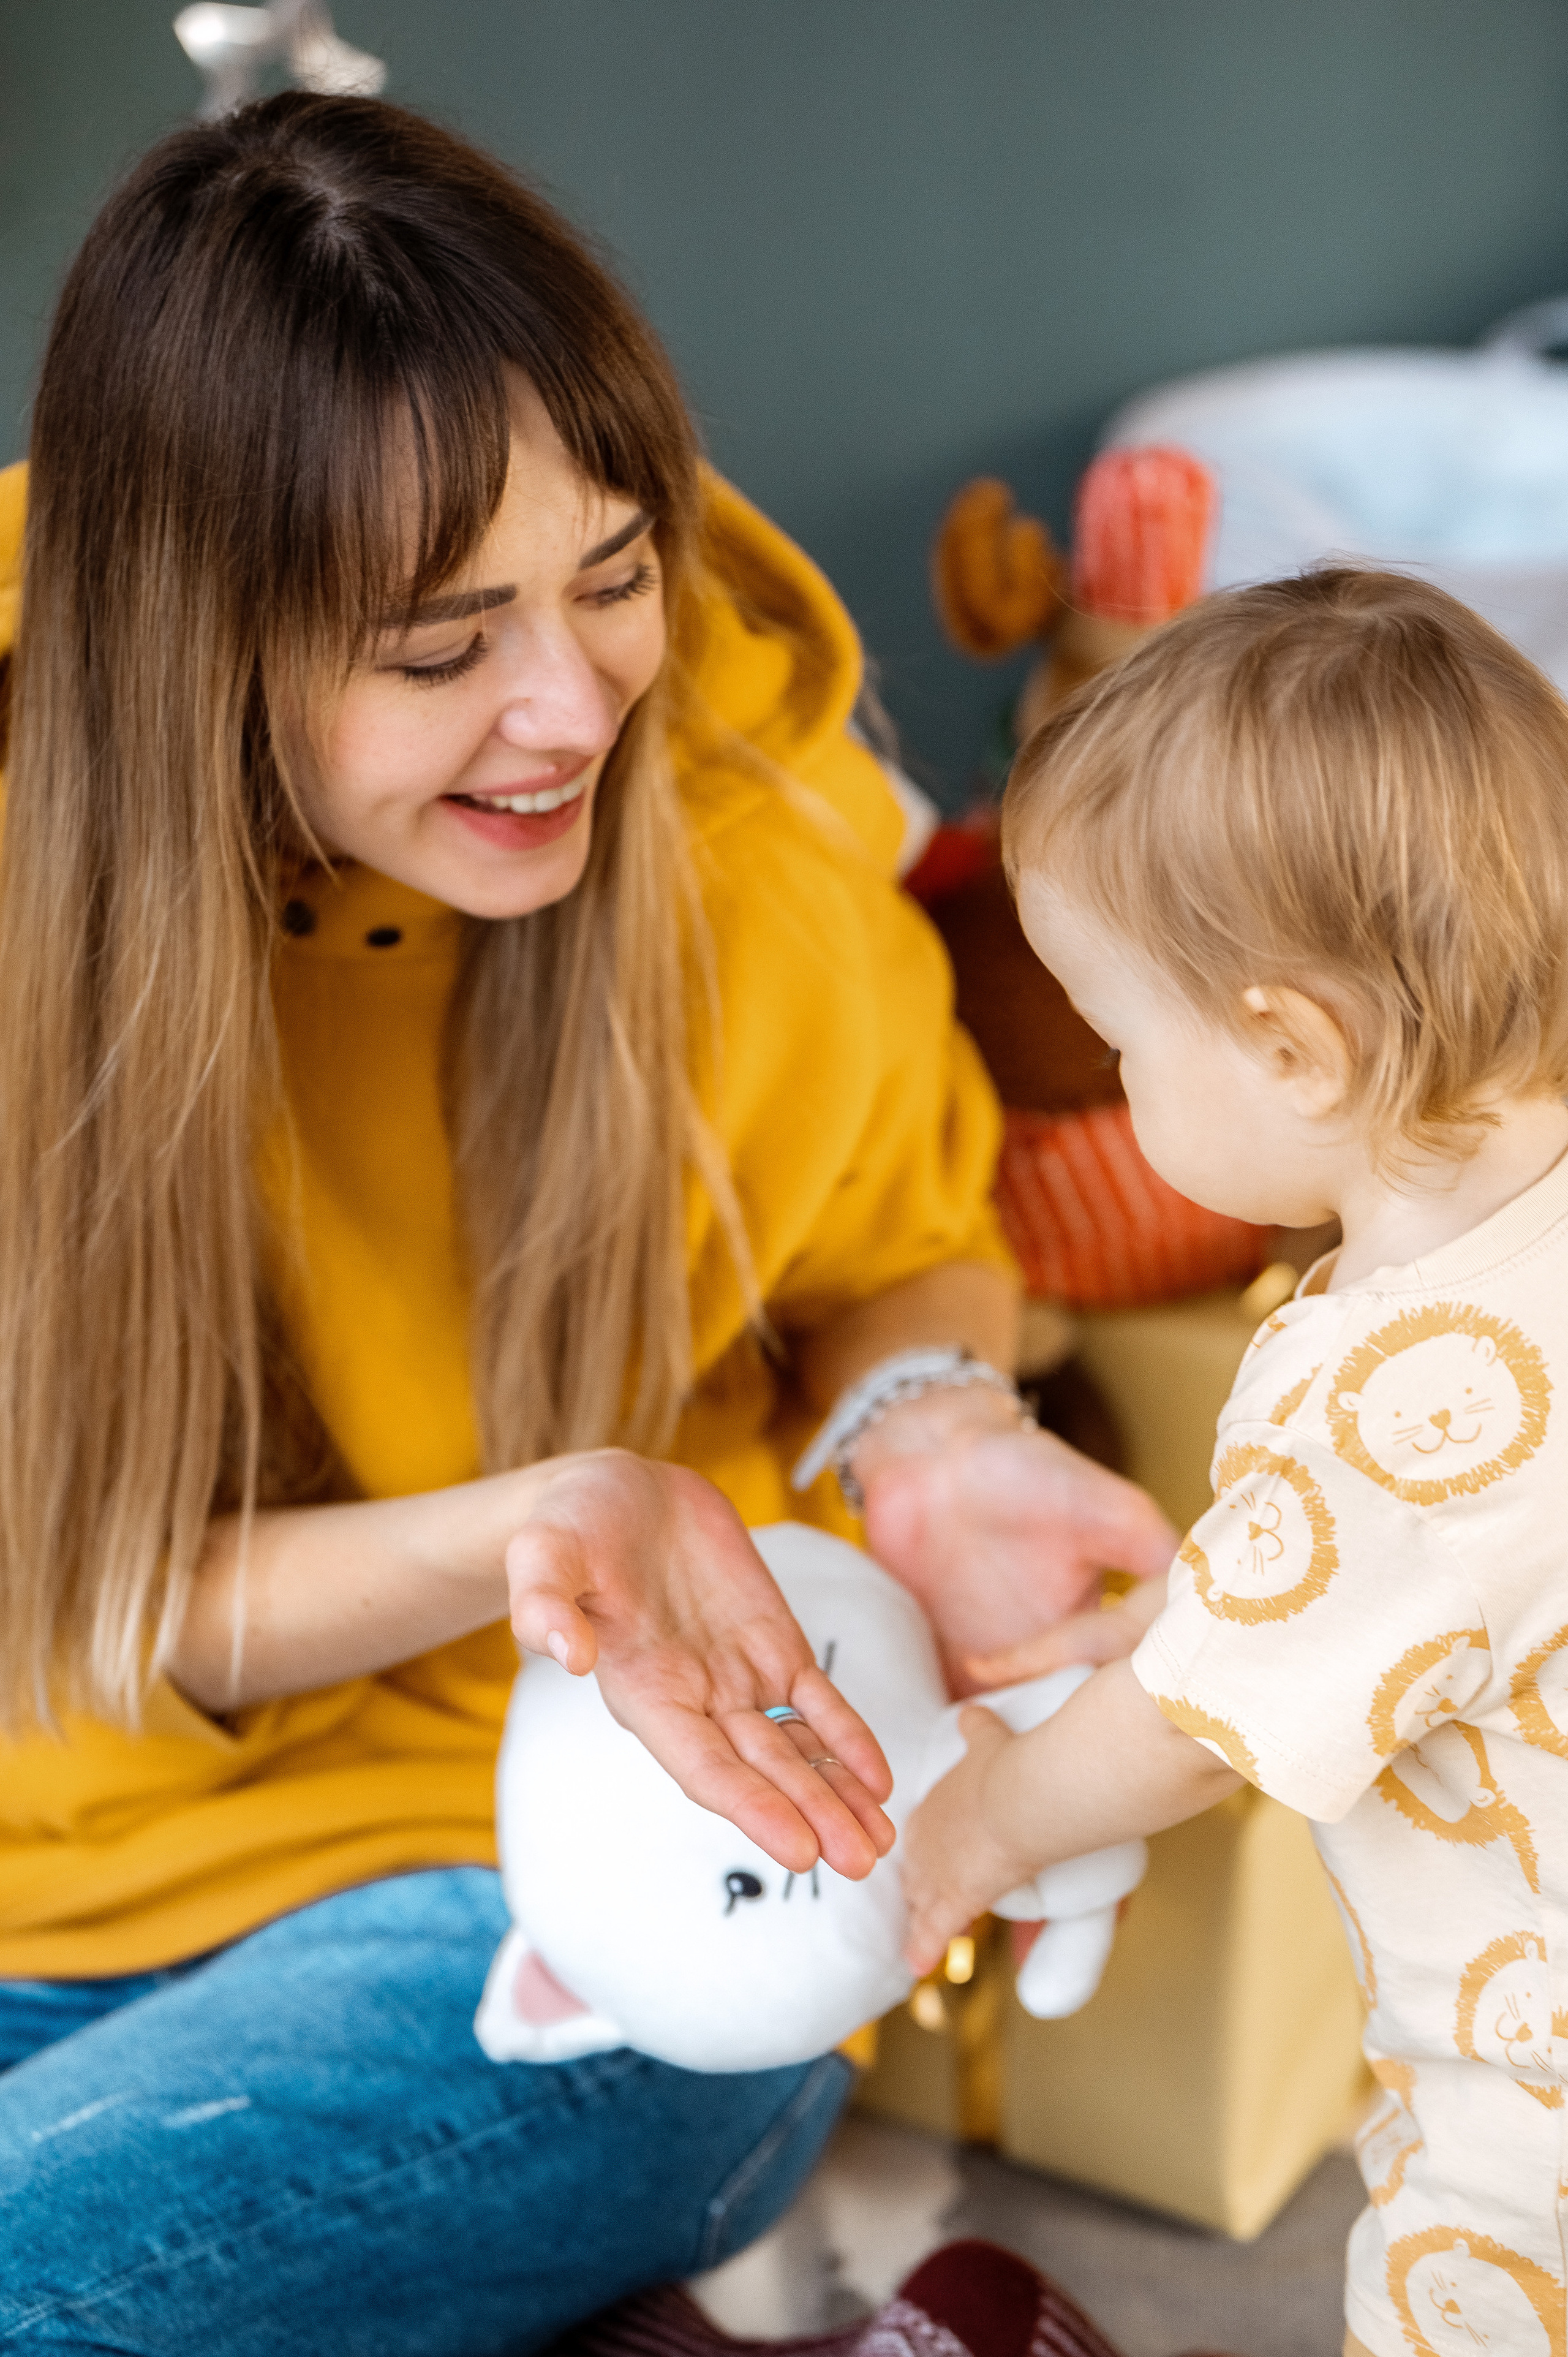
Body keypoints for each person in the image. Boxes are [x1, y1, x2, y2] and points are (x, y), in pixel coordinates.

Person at [0, 93, 1175, 2354]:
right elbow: (94, 1599)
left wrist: (928, 1432)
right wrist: (535, 1523)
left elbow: (902, 1252)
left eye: (615, 576)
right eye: (440, 647)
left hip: (568, 1897)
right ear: (191, 651)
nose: (572, 707)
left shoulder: (741, 877)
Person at [902, 567, 1568, 2357]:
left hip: (1537, 2127)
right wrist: (1194, 1626)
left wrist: (979, 1822)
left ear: (1291, 1044)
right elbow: (1438, 1606)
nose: (1119, 1093)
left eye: (1124, 1046)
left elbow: (1196, 1736)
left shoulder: (1398, 1395)